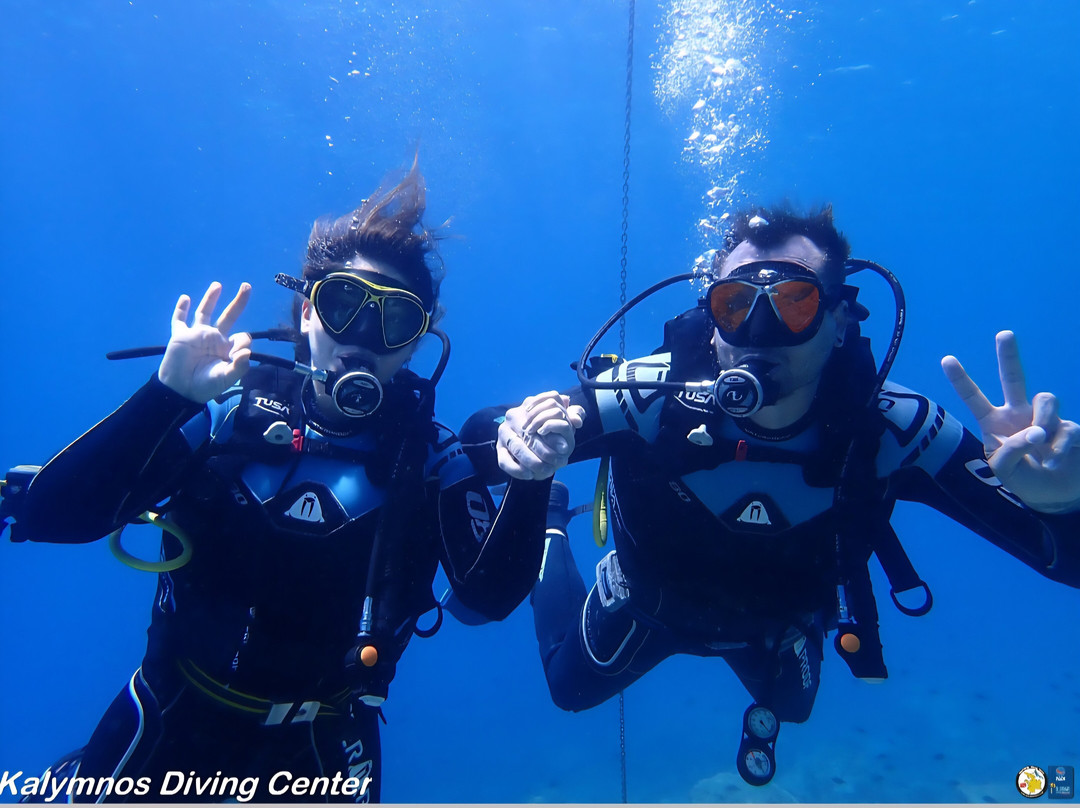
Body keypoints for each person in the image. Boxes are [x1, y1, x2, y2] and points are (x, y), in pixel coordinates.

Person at [463, 205, 1080, 786]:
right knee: (568, 688)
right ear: (710, 319)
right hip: (646, 603)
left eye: (794, 302)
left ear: (840, 320)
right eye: (735, 305)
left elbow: (1068, 562)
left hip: (776, 627)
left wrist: (1059, 504)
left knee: (795, 710)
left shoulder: (892, 428)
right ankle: (556, 526)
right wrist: (521, 434)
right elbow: (479, 437)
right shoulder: (650, 397)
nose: (759, 332)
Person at [0, 161, 549, 803]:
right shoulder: (225, 414)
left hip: (324, 748)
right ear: (306, 311)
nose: (363, 337)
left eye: (395, 321)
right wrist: (165, 396)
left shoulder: (430, 459)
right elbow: (51, 516)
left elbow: (487, 599)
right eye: (343, 304)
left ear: (414, 345)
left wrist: (533, 483)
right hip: (169, 716)